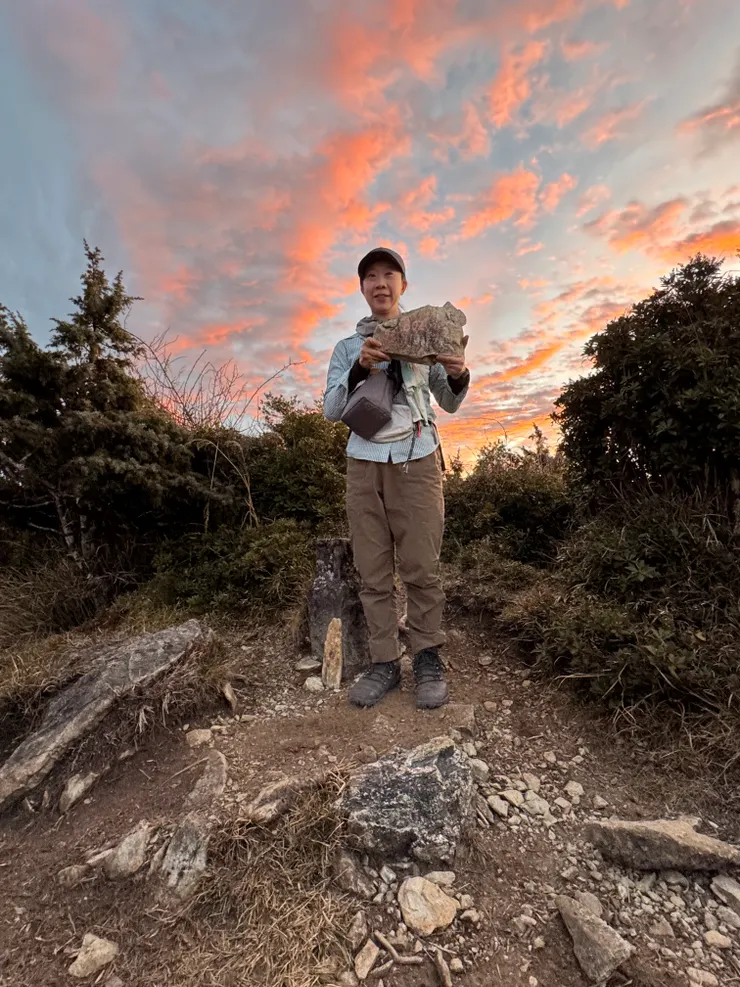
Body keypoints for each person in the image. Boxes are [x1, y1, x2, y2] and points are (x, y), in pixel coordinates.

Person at [323, 247, 470, 709]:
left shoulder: (425, 332)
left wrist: (459, 371)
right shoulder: (348, 347)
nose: (380, 283)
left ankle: (427, 656)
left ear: (403, 285)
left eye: (389, 274)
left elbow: (449, 401)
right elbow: (330, 410)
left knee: (422, 568)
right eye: (370, 276)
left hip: (418, 459)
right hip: (363, 463)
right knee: (373, 572)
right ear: (362, 288)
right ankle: (384, 661)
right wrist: (359, 367)